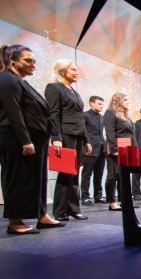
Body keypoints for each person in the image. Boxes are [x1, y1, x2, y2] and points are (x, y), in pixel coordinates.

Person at [0, 44, 65, 234]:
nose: (32, 64)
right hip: (15, 137)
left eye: (34, 61)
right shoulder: (6, 79)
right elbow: (14, 112)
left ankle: (42, 216)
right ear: (12, 59)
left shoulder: (21, 81)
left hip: (34, 138)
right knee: (17, 178)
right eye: (28, 60)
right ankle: (15, 222)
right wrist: (25, 140)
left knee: (37, 179)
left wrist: (53, 136)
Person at [45, 58, 92, 221]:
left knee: (75, 173)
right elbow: (53, 114)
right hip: (66, 135)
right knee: (66, 173)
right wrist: (56, 138)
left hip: (78, 135)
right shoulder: (54, 88)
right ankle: (59, 211)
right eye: (73, 69)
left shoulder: (74, 92)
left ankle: (73, 208)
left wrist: (86, 140)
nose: (76, 72)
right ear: (62, 71)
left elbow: (80, 118)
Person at [103, 92, 136, 211]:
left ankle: (125, 201)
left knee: (124, 175)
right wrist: (114, 149)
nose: (128, 102)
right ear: (118, 100)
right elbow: (110, 133)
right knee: (113, 175)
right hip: (116, 148)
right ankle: (112, 202)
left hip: (126, 148)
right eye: (125, 100)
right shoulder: (110, 113)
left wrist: (134, 150)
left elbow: (132, 134)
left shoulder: (126, 116)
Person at [80, 95, 106, 206]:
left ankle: (98, 196)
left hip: (101, 148)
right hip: (90, 148)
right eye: (99, 104)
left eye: (102, 104)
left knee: (99, 174)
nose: (101, 106)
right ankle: (85, 196)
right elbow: (83, 131)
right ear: (92, 103)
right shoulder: (85, 115)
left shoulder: (102, 117)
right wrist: (86, 144)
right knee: (87, 173)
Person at [131, 106, 141, 201]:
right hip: (138, 150)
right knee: (136, 173)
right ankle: (136, 193)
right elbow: (134, 138)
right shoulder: (137, 124)